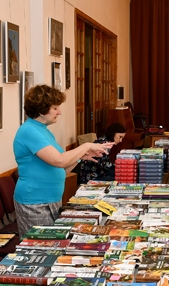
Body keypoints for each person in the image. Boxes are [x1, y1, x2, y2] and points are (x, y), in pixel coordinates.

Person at [13, 84, 111, 237]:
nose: (59, 112)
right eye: (55, 108)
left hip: (51, 200)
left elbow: (61, 169)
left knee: (52, 246)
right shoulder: (29, 131)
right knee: (42, 248)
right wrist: (85, 146)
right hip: (35, 202)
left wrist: (80, 157)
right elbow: (59, 161)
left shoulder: (42, 130)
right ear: (41, 109)